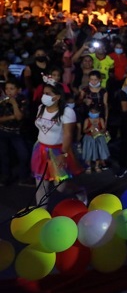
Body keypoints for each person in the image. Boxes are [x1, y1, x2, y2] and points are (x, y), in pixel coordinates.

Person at [30, 80, 84, 208]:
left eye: (48, 94)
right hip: (41, 149)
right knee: (41, 185)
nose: (44, 96)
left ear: (57, 97)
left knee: (60, 187)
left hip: (58, 151)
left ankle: (78, 191)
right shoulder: (40, 108)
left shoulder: (67, 112)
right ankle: (41, 214)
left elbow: (67, 134)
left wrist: (63, 154)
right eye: (44, 93)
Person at [0, 78, 35, 186]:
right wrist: (12, 116)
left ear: (18, 90)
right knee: (4, 156)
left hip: (17, 133)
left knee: (23, 155)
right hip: (2, 132)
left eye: (12, 88)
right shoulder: (2, 100)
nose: (8, 91)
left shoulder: (22, 100)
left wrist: (14, 103)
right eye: (6, 88)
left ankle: (23, 178)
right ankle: (6, 177)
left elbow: (19, 117)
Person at [81, 105, 110, 173]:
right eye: (91, 112)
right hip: (89, 138)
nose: (93, 113)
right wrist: (89, 128)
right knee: (89, 152)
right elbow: (84, 131)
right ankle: (88, 166)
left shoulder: (100, 119)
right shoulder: (87, 120)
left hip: (99, 138)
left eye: (95, 112)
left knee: (98, 152)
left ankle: (97, 166)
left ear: (98, 112)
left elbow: (104, 129)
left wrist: (100, 131)